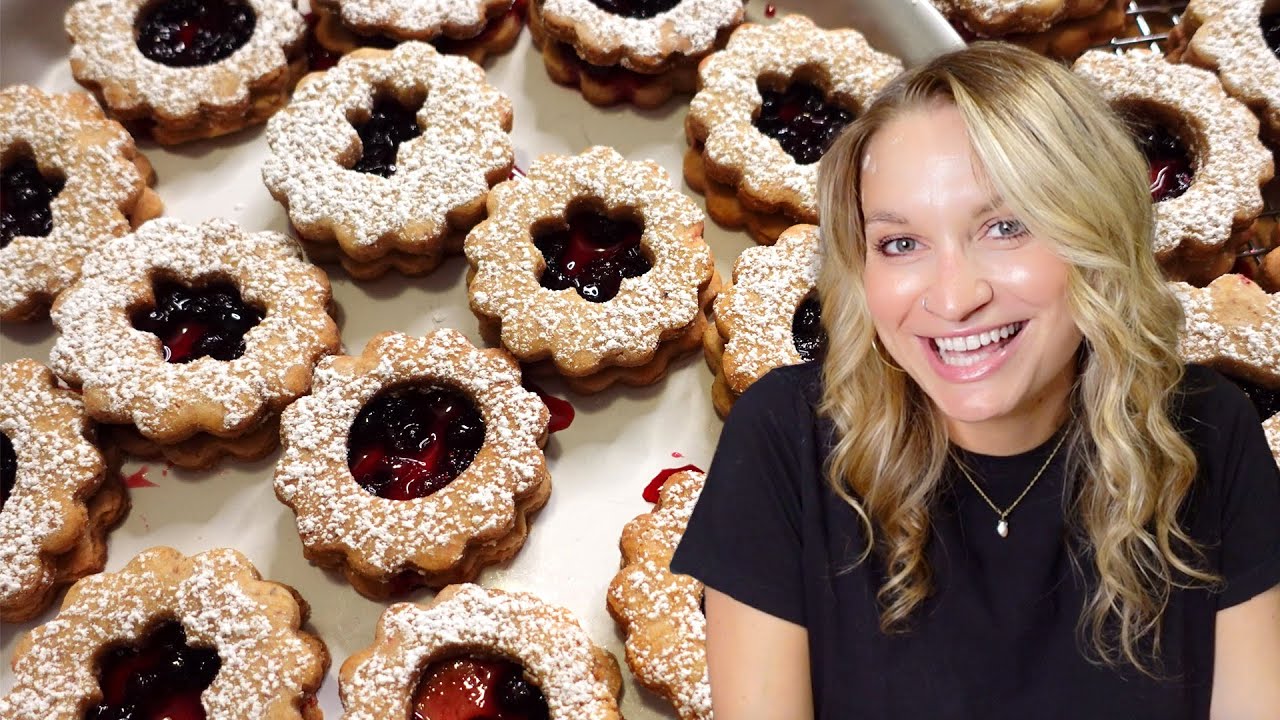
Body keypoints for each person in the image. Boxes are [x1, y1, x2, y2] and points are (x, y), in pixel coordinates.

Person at [669, 41, 1280, 720]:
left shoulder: (1206, 436)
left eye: (1005, 227)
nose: (954, 298)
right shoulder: (788, 442)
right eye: (901, 244)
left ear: (1094, 236)